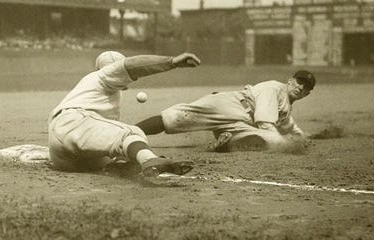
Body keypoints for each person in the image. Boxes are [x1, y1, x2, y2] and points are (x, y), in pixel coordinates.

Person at [47, 51, 201, 185]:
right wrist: (172, 62)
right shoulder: (102, 76)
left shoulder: (98, 90)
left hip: (64, 156)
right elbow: (132, 65)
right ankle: (149, 159)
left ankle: (118, 166)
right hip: (74, 122)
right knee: (130, 133)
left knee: (115, 152)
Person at [134, 71, 316, 152]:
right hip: (229, 105)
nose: (301, 87)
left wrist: (300, 137)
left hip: (241, 122)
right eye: (299, 82)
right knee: (175, 118)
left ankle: (227, 141)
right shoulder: (275, 89)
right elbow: (265, 122)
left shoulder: (286, 108)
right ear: (290, 80)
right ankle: (128, 133)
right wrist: (286, 143)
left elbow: (289, 126)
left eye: (306, 87)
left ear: (307, 94)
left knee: (257, 139)